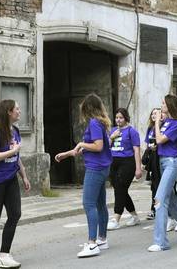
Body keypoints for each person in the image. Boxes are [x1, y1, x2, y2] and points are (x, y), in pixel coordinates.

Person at [54, 93, 112, 258]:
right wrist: (66, 154)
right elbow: (88, 147)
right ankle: (102, 238)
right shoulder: (101, 123)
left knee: (88, 204)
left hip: (95, 168)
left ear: (87, 108)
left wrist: (80, 143)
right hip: (102, 167)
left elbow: (98, 146)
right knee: (100, 204)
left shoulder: (94, 123)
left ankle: (92, 243)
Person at [0, 99, 30, 269]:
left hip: (10, 179)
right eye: (17, 109)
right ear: (9, 112)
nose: (19, 111)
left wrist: (24, 176)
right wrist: (13, 150)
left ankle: (4, 254)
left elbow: (17, 157)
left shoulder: (15, 130)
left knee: (15, 214)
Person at [148, 94, 177, 252]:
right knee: (172, 203)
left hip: (172, 163)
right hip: (163, 161)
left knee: (160, 200)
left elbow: (160, 139)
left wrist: (156, 123)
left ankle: (161, 242)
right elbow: (159, 141)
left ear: (170, 105)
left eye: (163, 103)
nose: (161, 105)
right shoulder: (167, 122)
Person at [107, 108, 142, 230]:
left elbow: (137, 150)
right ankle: (134, 216)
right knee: (121, 190)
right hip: (113, 163)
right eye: (116, 118)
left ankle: (116, 218)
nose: (118, 120)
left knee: (120, 189)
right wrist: (112, 137)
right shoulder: (113, 131)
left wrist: (138, 168)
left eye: (121, 117)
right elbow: (106, 146)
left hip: (127, 163)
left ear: (126, 118)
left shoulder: (132, 131)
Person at [144, 108, 161, 220]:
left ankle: (161, 209)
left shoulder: (161, 127)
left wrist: (157, 147)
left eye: (156, 113)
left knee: (160, 184)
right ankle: (153, 209)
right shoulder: (150, 128)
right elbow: (147, 144)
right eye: (152, 113)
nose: (154, 115)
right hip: (152, 159)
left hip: (160, 158)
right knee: (153, 186)